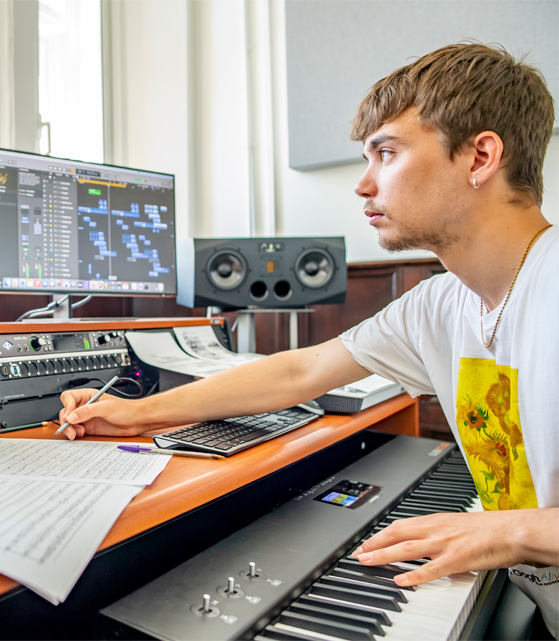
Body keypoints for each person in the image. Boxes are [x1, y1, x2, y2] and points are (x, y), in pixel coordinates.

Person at [58, 43, 558, 637]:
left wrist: (513, 530)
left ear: (480, 156)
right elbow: (301, 372)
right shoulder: (439, 303)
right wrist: (141, 413)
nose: (364, 184)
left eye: (387, 153)